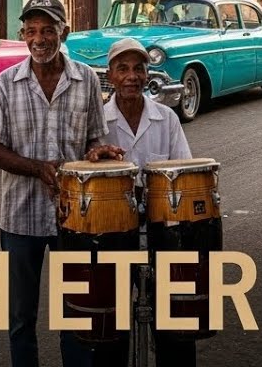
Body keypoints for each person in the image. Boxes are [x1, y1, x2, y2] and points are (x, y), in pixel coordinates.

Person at [0, 0, 117, 367]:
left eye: (48, 30)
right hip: (20, 219)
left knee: (74, 311)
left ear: (64, 32)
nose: (39, 38)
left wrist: (96, 153)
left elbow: (93, 138)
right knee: (21, 317)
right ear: (23, 35)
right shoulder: (7, 82)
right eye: (31, 31)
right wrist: (38, 168)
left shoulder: (86, 78)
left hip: (73, 218)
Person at [84, 37, 194, 367]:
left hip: (163, 233)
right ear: (111, 76)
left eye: (139, 69)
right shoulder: (98, 124)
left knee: (176, 324)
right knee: (110, 328)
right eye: (123, 69)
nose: (132, 76)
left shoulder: (167, 118)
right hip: (113, 235)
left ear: (148, 75)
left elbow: (185, 173)